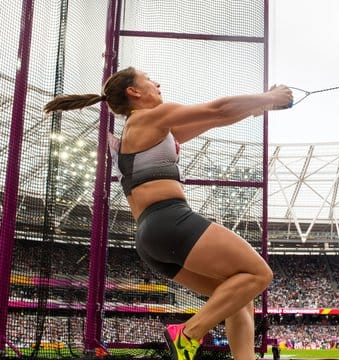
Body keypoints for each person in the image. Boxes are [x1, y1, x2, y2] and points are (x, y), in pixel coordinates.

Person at [44, 66, 293, 360]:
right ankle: (187, 334)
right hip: (170, 221)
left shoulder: (144, 131)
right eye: (149, 79)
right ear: (134, 92)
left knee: (237, 297)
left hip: (153, 238)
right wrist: (267, 97)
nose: (157, 83)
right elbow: (217, 107)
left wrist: (260, 107)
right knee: (258, 273)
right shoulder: (150, 117)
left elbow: (216, 118)